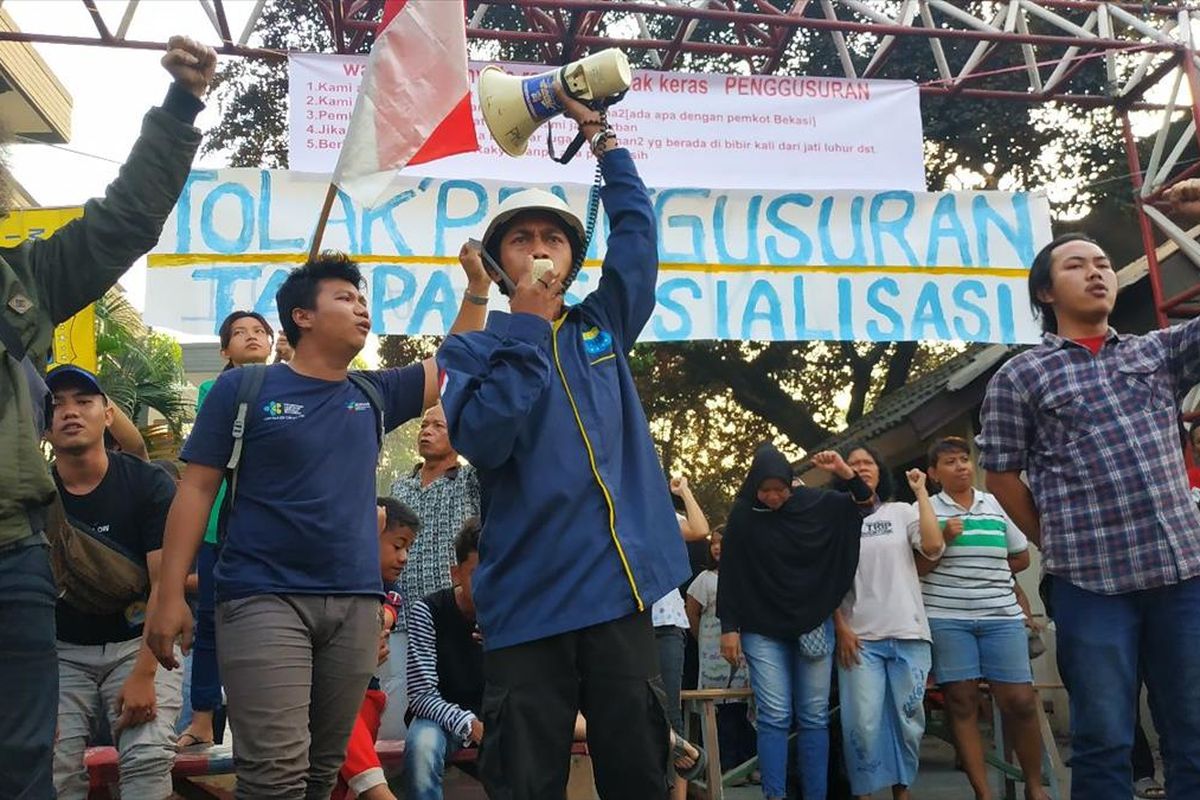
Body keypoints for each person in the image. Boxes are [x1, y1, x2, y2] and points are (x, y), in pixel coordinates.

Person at [145, 250, 487, 798]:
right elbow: (196, 490)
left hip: (355, 605)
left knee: (323, 774)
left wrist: (477, 289)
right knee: (275, 775)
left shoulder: (372, 393)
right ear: (302, 316)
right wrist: (168, 594)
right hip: (262, 598)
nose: (361, 310)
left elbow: (452, 363)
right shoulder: (245, 389)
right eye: (345, 298)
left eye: (363, 300)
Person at [437, 87, 696, 799]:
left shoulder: (601, 324)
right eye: (521, 239)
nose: (541, 248)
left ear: (574, 262)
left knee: (638, 772)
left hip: (619, 593)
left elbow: (638, 237)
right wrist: (521, 328)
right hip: (525, 602)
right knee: (525, 780)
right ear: (497, 264)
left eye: (553, 238)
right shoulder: (473, 350)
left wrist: (602, 137)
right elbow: (484, 441)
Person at [0, 35, 214, 797]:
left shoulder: (16, 286)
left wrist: (181, 107)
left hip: (10, 560)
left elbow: (123, 222)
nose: (68, 411)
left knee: (26, 770)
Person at [977, 187, 1200, 798]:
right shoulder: (1020, 376)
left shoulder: (1159, 351)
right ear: (1046, 293)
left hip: (1182, 574)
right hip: (1091, 586)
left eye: (1101, 262)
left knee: (1194, 732)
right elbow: (1000, 475)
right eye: (1076, 265)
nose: (1096, 272)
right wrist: (1059, 542)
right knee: (1102, 740)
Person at [44, 366, 181, 799]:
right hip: (59, 653)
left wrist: (144, 674)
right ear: (42, 426)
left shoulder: (147, 483)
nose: (69, 412)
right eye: (56, 404)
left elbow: (165, 584)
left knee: (147, 755)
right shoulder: (34, 493)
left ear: (108, 415)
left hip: (141, 643)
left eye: (83, 401)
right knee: (49, 767)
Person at [718, 443, 871, 800]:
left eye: (780, 489)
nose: (773, 497)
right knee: (774, 713)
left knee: (814, 715)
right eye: (765, 490)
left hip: (813, 622)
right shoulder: (742, 515)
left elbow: (864, 503)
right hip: (760, 626)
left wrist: (844, 472)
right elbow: (732, 573)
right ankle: (775, 795)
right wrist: (729, 628)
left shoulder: (816, 505)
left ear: (791, 483)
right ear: (753, 486)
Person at [917, 436, 1048, 800]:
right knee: (962, 702)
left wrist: (987, 570)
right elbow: (919, 567)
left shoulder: (994, 504)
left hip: (1001, 616)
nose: (960, 466)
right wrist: (942, 537)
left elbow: (1020, 556)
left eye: (964, 459)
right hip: (947, 616)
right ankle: (982, 792)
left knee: (1019, 701)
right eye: (950, 462)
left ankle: (1034, 787)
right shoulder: (927, 508)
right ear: (933, 473)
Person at [176, 310, 274, 752]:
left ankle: (258, 719)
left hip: (271, 527)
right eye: (240, 333)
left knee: (270, 624)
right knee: (212, 621)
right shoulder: (214, 389)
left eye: (260, 332)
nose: (251, 337)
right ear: (223, 350)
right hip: (220, 525)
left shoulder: (297, 385)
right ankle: (201, 717)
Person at [822, 444, 943, 800]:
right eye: (854, 463)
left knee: (908, 722)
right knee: (863, 723)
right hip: (859, 637)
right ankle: (865, 794)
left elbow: (933, 547)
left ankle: (901, 793)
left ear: (880, 471)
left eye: (868, 462)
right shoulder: (834, 520)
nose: (861, 468)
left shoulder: (901, 511)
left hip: (909, 631)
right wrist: (841, 627)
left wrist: (921, 492)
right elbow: (827, 580)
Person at [384, 399, 482, 739]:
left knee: (450, 697)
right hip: (401, 615)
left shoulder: (470, 480)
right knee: (397, 709)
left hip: (450, 617)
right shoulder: (400, 487)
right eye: (424, 425)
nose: (427, 431)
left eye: (439, 426)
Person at [334, 498, 419, 800]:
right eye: (397, 546)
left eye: (408, 548)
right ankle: (379, 793)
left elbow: (384, 617)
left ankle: (375, 791)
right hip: (335, 690)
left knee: (343, 778)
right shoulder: (337, 576)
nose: (404, 557)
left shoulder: (391, 589)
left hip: (367, 693)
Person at [403, 517, 486, 800]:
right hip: (439, 717)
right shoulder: (428, 611)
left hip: (496, 712)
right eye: (476, 573)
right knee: (423, 747)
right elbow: (422, 696)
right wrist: (469, 725)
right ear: (456, 573)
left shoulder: (510, 615)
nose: (487, 583)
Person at [685, 527, 757, 773]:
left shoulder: (748, 575)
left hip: (744, 658)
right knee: (721, 715)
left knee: (743, 711)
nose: (717, 547)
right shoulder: (705, 579)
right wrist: (704, 640)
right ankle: (726, 769)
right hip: (713, 659)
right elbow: (691, 612)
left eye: (722, 542)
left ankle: (747, 767)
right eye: (713, 543)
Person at [657, 475, 711, 800]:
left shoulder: (660, 514)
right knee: (633, 709)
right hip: (621, 624)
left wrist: (683, 491)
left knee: (670, 712)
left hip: (664, 623)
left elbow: (700, 528)